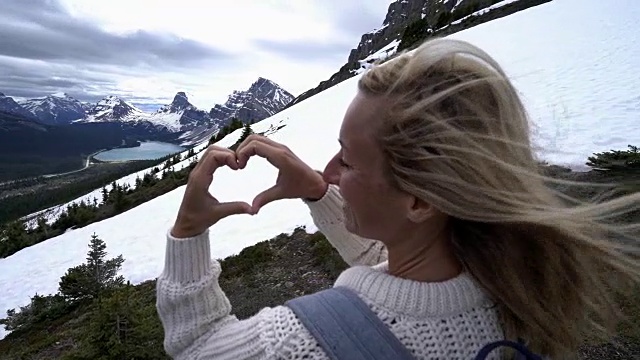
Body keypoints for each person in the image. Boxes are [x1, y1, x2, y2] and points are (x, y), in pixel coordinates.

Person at [156, 38, 640, 359]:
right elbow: (396, 265)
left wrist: (188, 232)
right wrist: (320, 194)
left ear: (420, 202)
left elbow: (198, 347)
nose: (329, 171)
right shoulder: (515, 286)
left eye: (346, 159)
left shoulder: (303, 343)